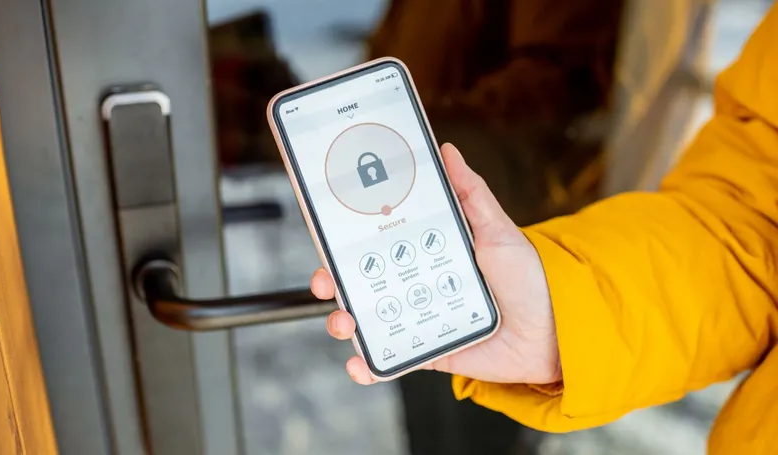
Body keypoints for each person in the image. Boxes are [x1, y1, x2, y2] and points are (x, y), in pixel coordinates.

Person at [309, 3, 778, 453]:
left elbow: (562, 83)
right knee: (436, 413)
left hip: (511, 191)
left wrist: (425, 139)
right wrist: (565, 312)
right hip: (460, 241)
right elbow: (753, 220)